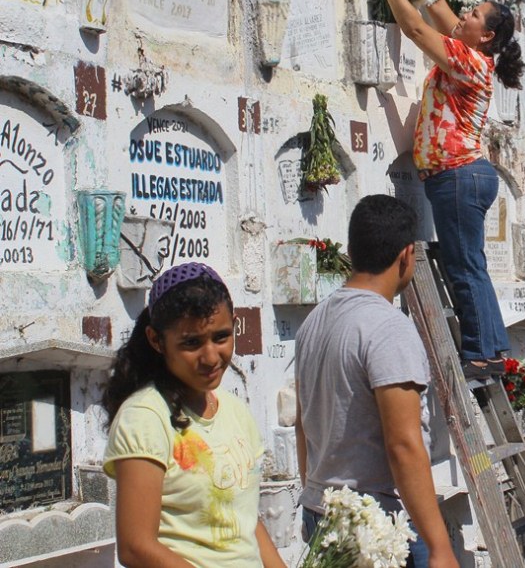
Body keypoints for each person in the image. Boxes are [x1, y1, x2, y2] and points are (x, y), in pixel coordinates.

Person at [370, 0, 525, 380]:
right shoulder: (471, 51)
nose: (464, 16)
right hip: (464, 174)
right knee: (472, 265)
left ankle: (476, 354)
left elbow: (418, 28)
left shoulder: (470, 61)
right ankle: (492, 351)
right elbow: (438, 10)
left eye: (473, 15)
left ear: (486, 35)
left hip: (457, 175)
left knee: (462, 267)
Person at [294, 195, 458, 568]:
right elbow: (403, 443)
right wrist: (439, 545)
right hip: (375, 526)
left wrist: (317, 496)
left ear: (351, 251)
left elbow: (303, 425)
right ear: (406, 255)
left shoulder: (314, 322)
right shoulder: (389, 328)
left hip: (323, 512)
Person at [102, 263, 286, 568]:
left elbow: (243, 520)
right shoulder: (145, 417)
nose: (211, 357)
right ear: (156, 340)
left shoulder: (235, 411)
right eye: (191, 343)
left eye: (221, 337)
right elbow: (136, 546)